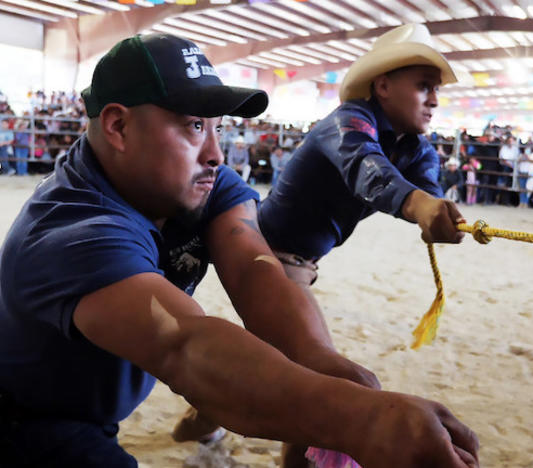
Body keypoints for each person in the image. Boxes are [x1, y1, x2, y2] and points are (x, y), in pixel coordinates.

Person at [0, 33, 480, 468]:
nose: (216, 154)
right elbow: (182, 344)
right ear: (119, 128)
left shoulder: (196, 183)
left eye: (217, 128)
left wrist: (316, 355)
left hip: (88, 411)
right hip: (28, 422)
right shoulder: (75, 234)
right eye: (193, 126)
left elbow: (256, 271)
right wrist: (365, 419)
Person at [173, 23, 473, 467]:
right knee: (321, 372)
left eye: (435, 90)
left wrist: (434, 210)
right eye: (425, 87)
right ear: (384, 85)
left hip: (295, 261)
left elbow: (426, 187)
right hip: (267, 254)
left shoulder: (417, 149)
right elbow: (365, 167)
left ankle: (205, 415)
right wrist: (419, 205)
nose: (434, 100)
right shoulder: (347, 122)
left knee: (288, 364)